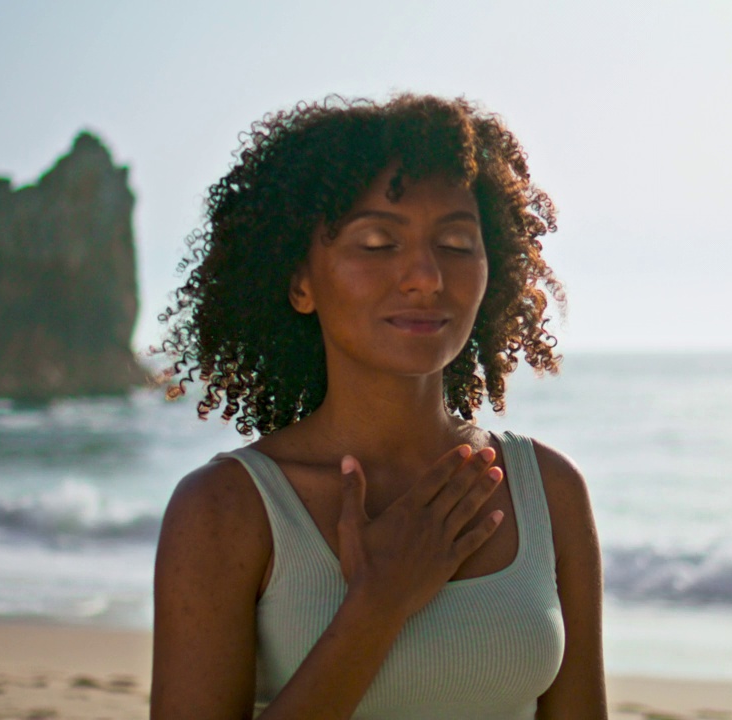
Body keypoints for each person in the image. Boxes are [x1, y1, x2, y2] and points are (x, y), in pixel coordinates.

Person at [151, 94, 605, 719]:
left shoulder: (547, 491)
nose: (425, 276)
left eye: (454, 242)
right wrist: (379, 603)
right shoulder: (226, 510)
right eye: (376, 242)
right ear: (300, 282)